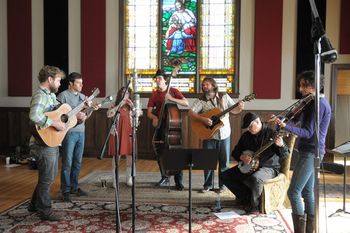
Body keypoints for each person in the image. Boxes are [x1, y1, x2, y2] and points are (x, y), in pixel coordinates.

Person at [273, 71, 331, 233]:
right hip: (309, 150)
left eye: (303, 85)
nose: (300, 89)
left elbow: (308, 132)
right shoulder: (311, 102)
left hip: (312, 152)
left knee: (293, 192)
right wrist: (284, 119)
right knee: (307, 192)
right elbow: (298, 119)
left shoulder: (319, 105)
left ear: (313, 86)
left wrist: (286, 127)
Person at [221, 112, 289, 213]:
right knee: (225, 176)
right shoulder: (246, 136)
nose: (248, 129)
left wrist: (281, 145)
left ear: (257, 122)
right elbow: (235, 152)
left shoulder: (272, 134)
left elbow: (285, 154)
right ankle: (246, 198)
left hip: (269, 168)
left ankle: (255, 206)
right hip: (250, 167)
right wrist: (241, 157)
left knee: (256, 178)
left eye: (249, 126)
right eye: (247, 127)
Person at [188, 77, 244, 193]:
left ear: (213, 85)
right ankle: (207, 185)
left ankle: (223, 185)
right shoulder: (201, 100)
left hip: (224, 134)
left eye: (207, 84)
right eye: (203, 85)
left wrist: (239, 108)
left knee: (224, 162)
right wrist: (203, 119)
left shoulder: (224, 96)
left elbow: (234, 111)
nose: (204, 87)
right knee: (207, 161)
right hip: (209, 135)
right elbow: (191, 113)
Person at [28, 65, 66, 221]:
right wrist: (54, 124)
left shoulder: (50, 95)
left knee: (47, 176)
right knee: (47, 178)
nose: (59, 84)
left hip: (50, 141)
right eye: (57, 80)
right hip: (42, 143)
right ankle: (45, 211)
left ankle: (33, 205)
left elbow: (58, 113)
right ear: (49, 79)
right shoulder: (41, 95)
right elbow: (34, 115)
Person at [57, 72, 98, 202]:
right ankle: (65, 190)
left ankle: (74, 187)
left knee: (77, 162)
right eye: (78, 83)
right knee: (67, 162)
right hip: (68, 133)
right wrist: (75, 116)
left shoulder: (83, 97)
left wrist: (89, 111)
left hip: (81, 132)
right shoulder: (62, 96)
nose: (81, 85)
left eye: (82, 82)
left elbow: (86, 115)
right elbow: (59, 116)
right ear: (71, 84)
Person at [147, 69, 189, 190]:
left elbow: (186, 103)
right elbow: (149, 112)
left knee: (175, 152)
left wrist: (171, 98)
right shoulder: (154, 94)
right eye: (156, 78)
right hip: (160, 126)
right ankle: (164, 176)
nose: (157, 80)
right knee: (159, 150)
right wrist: (154, 118)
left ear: (166, 79)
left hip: (173, 126)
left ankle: (178, 181)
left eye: (159, 78)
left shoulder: (173, 91)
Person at [107, 87, 133, 187]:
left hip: (129, 132)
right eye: (123, 93)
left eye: (127, 93)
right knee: (116, 155)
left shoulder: (131, 105)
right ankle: (115, 179)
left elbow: (138, 115)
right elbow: (109, 114)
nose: (125, 95)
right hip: (117, 132)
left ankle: (128, 178)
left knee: (130, 155)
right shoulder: (115, 104)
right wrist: (119, 105)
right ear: (119, 95)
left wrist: (133, 107)